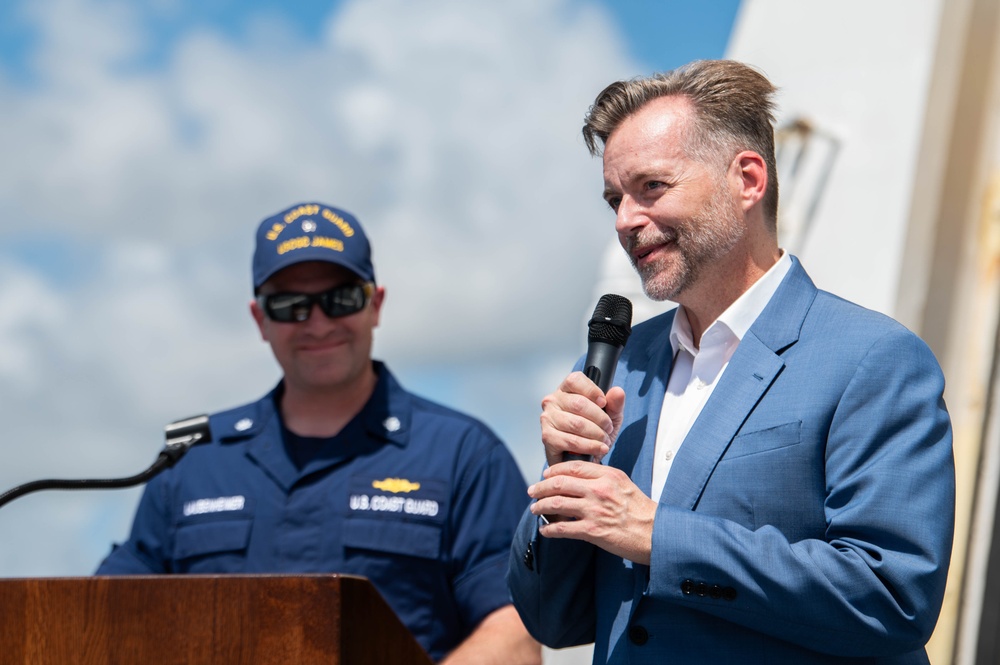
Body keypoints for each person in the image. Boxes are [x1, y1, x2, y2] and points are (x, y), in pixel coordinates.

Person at [507, 60, 955, 664]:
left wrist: (656, 537)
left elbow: (890, 597)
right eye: (615, 198)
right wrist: (563, 479)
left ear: (747, 179)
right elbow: (551, 621)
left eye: (652, 188)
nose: (624, 221)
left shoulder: (874, 358)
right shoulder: (624, 368)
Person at [97, 202, 540, 665]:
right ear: (259, 320)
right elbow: (105, 617)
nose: (318, 323)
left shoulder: (462, 455)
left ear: (376, 304)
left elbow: (512, 633)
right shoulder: (195, 461)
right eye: (290, 306)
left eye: (341, 299)